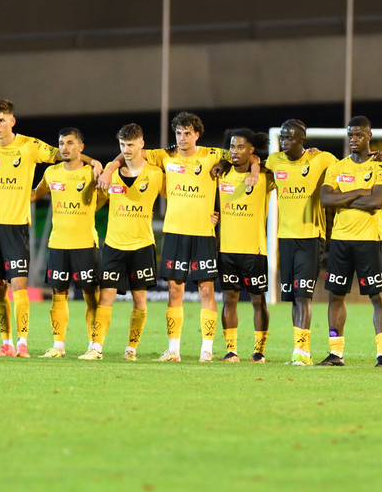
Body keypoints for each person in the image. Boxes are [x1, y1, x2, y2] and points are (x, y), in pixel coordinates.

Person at [99, 112, 255, 363]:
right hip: (173, 232)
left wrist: (251, 169)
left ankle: (206, 350)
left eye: (187, 133)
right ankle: (173, 350)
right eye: (179, 133)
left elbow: (247, 155)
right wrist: (109, 169)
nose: (182, 138)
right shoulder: (165, 155)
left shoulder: (212, 154)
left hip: (203, 232)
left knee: (206, 290)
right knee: (174, 291)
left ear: (197, 135)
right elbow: (130, 154)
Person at [0, 99, 102, 358]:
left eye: (1, 120)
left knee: (18, 285)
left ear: (12, 121)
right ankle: (6, 344)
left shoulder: (30, 146)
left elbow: (64, 153)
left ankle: (23, 343)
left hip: (17, 225)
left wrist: (95, 161)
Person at [79, 123, 163, 361]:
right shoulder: (111, 173)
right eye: (123, 145)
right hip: (114, 245)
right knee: (105, 296)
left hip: (142, 245)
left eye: (131, 145)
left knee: (139, 299)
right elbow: (97, 203)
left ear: (141, 144)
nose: (126, 150)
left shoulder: (156, 174)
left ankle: (131, 349)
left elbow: (177, 197)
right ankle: (96, 348)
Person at [320, 116, 382, 367]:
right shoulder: (337, 167)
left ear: (369, 136)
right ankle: (335, 353)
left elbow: (377, 201)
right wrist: (361, 192)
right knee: (335, 296)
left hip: (368, 239)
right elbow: (326, 200)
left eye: (359, 134)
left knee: (377, 297)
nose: (353, 139)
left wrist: (343, 198)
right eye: (350, 134)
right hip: (340, 240)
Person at [264, 120, 338, 366]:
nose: (284, 142)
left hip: (310, 237)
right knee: (294, 298)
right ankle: (301, 350)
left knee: (304, 295)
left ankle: (301, 351)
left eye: (290, 138)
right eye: (283, 137)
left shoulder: (321, 159)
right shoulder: (275, 161)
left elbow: (347, 168)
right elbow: (256, 168)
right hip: (285, 238)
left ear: (302, 139)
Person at [31, 127, 105, 358]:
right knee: (58, 294)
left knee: (91, 296)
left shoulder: (92, 173)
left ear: (81, 147)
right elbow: (34, 194)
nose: (65, 147)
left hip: (85, 243)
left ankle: (95, 346)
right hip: (58, 243)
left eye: (70, 143)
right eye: (62, 143)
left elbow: (108, 195)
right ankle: (58, 345)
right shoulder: (51, 172)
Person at [216, 129, 275, 363]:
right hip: (227, 250)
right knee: (229, 300)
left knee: (258, 301)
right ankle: (231, 350)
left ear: (252, 150)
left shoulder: (265, 176)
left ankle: (259, 351)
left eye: (240, 147)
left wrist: (256, 166)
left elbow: (275, 166)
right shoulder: (222, 174)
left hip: (254, 250)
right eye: (232, 147)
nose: (235, 151)